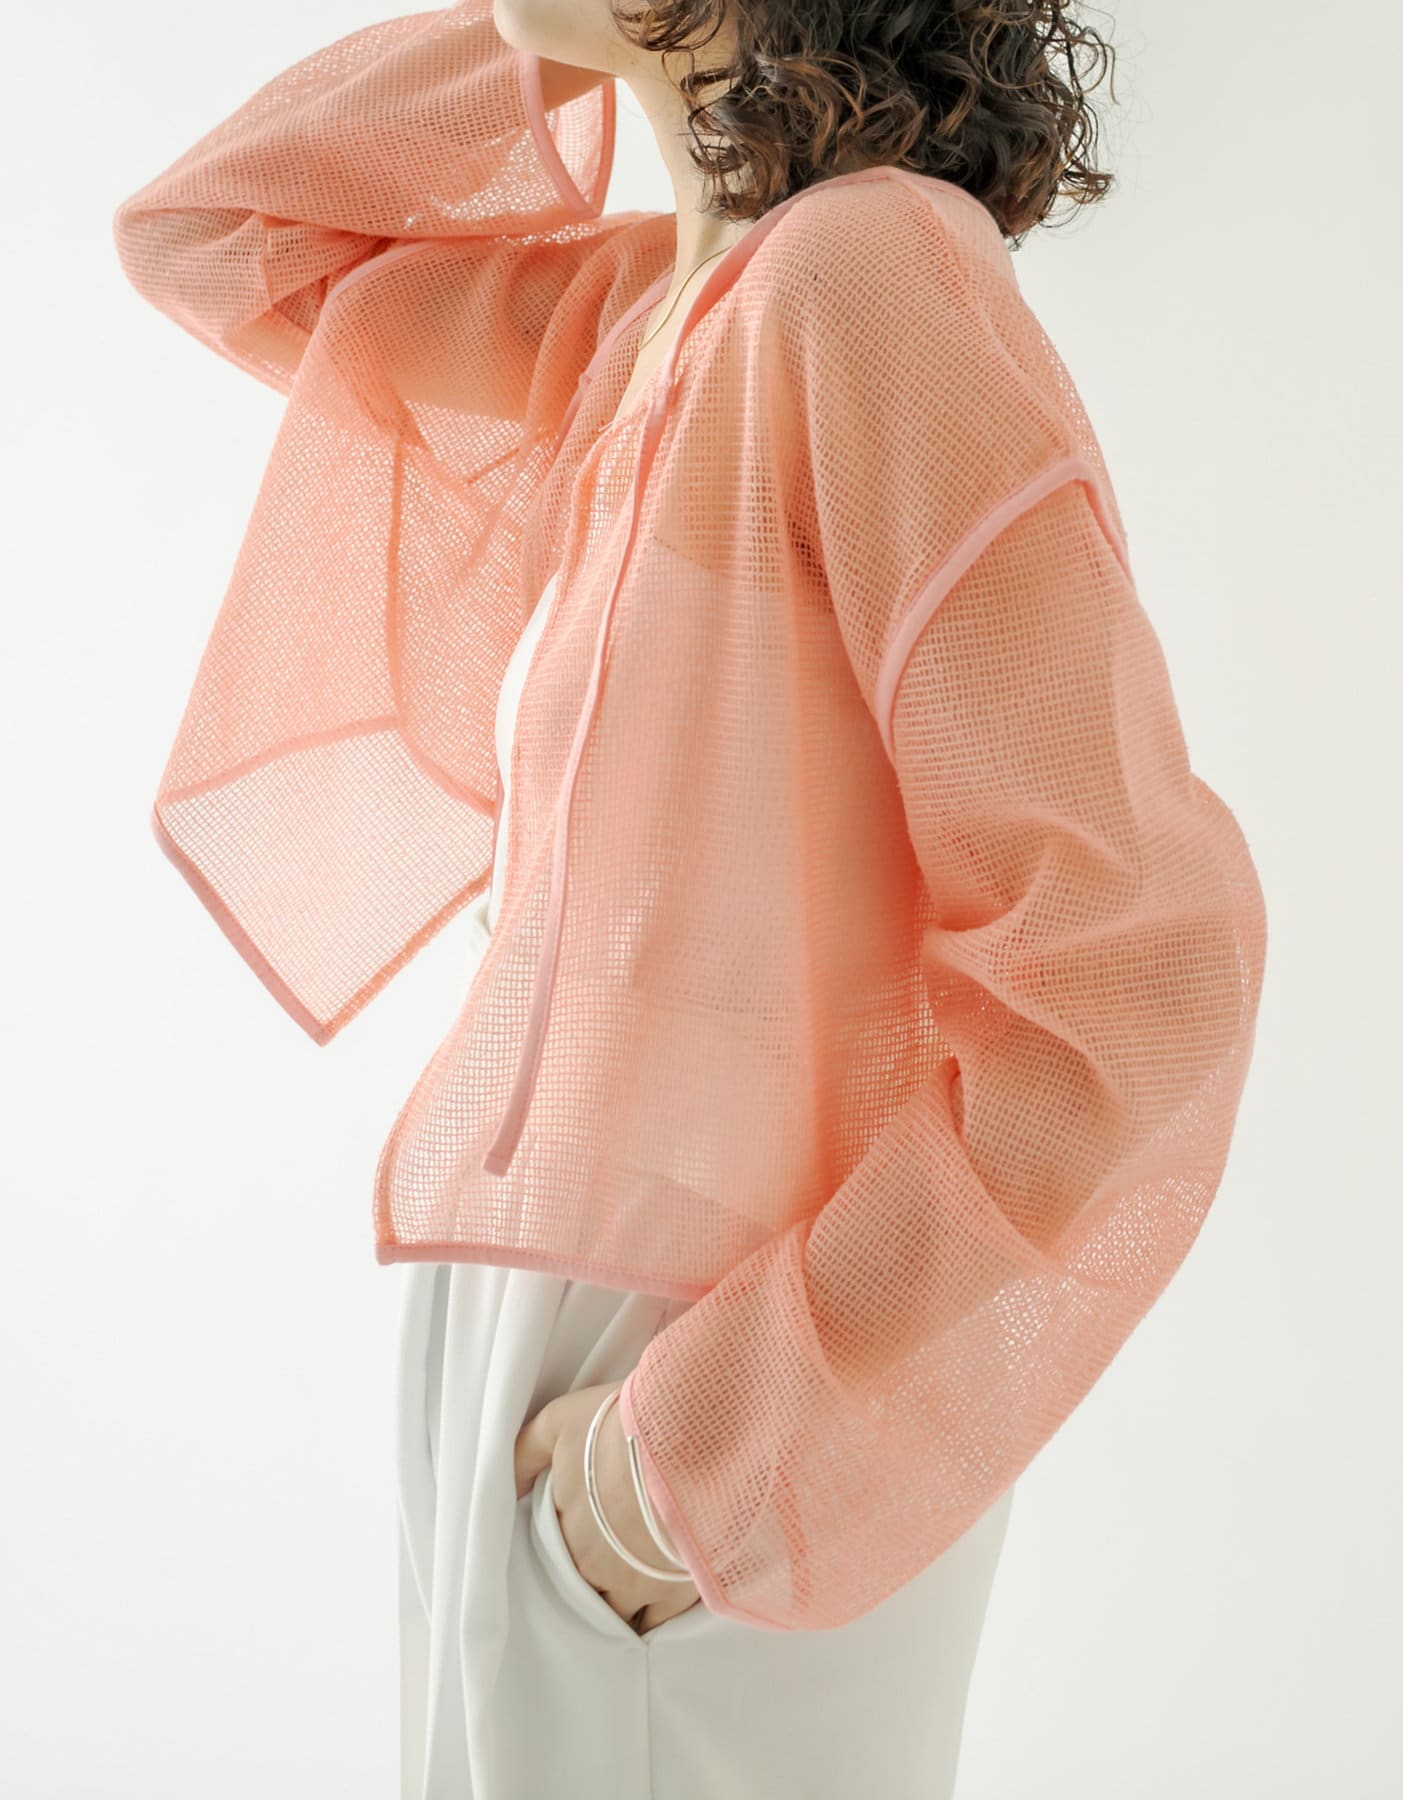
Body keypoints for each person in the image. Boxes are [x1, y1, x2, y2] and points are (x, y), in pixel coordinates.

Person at [112, 0, 1267, 1793]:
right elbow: (213, 232)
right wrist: (608, 43)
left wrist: (677, 1471)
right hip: (544, 1329)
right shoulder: (641, 321)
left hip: (723, 1387)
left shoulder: (866, 286)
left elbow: (1135, 982)